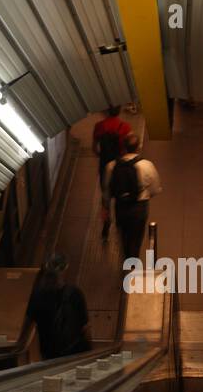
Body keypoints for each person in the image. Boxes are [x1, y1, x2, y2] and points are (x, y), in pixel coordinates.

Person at [104, 132, 163, 259]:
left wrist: (107, 210)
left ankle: (126, 257)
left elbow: (107, 192)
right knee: (136, 237)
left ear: (123, 147)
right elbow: (155, 189)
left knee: (124, 235)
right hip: (139, 207)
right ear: (138, 147)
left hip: (120, 207)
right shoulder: (147, 165)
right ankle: (133, 259)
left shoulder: (112, 166)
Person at [24, 253, 91, 360]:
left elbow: (27, 323)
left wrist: (20, 345)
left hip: (56, 356)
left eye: (52, 275)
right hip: (68, 354)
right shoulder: (74, 293)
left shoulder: (38, 296)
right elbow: (85, 328)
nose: (51, 279)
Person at [93, 106, 131, 241]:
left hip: (104, 166)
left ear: (108, 111)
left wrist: (103, 156)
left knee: (105, 197)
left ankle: (106, 223)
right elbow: (127, 150)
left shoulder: (99, 126)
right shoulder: (125, 127)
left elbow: (95, 149)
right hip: (119, 167)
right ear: (119, 111)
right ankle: (120, 224)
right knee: (120, 196)